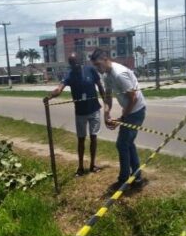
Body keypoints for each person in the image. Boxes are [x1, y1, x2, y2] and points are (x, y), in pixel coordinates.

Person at [89, 48, 147, 190]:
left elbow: (132, 98)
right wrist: (106, 114)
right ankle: (137, 177)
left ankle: (124, 181)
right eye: (94, 66)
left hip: (136, 111)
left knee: (122, 144)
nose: (97, 68)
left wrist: (121, 118)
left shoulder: (119, 74)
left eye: (98, 64)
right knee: (128, 143)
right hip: (130, 111)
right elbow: (108, 96)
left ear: (106, 59)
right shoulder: (106, 75)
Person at [44, 53, 106, 177]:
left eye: (76, 61)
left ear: (80, 60)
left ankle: (93, 165)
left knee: (94, 137)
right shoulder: (69, 75)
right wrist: (50, 96)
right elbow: (59, 89)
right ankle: (81, 167)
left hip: (94, 110)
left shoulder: (90, 70)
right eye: (72, 63)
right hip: (80, 113)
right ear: (70, 64)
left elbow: (100, 86)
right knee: (81, 139)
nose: (75, 64)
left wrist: (106, 104)